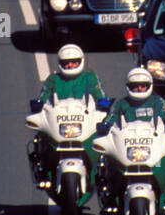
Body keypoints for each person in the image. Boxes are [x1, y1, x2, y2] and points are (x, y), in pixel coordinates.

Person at [95, 67, 165, 215]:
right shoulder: (120, 103)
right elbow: (110, 118)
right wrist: (104, 126)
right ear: (128, 87)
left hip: (152, 145)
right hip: (128, 145)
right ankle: (108, 194)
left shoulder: (158, 102)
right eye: (135, 86)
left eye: (143, 85)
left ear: (149, 86)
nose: (139, 89)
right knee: (105, 159)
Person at [27, 44, 106, 190]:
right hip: (59, 121)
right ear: (60, 63)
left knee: (104, 140)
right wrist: (39, 104)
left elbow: (99, 94)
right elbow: (43, 95)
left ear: (80, 61)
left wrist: (103, 103)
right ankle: (42, 170)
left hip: (82, 121)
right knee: (40, 136)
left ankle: (101, 173)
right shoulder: (53, 79)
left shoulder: (90, 77)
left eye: (74, 61)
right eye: (66, 63)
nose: (70, 65)